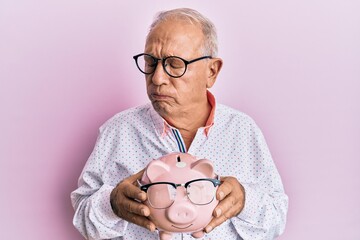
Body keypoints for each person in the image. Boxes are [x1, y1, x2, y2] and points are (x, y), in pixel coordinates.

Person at [71, 8, 288, 240]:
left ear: (211, 71)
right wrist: (112, 203)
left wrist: (245, 200)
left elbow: (277, 219)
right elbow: (83, 218)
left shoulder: (243, 131)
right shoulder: (118, 131)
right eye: (150, 62)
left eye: (175, 64)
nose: (157, 78)